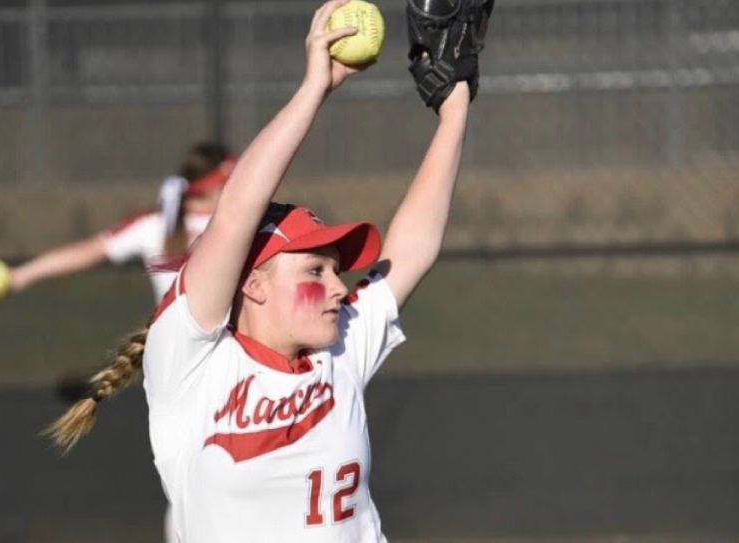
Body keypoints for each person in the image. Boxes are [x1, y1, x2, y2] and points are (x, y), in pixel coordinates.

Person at [46, 0, 491, 541]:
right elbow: (236, 214)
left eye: (334, 270)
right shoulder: (191, 368)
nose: (337, 287)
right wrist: (314, 90)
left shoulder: (336, 349)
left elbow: (413, 248)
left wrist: (456, 105)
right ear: (252, 284)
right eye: (314, 272)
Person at [7, 141, 235, 302]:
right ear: (213, 185)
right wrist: (22, 275)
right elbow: (87, 251)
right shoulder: (154, 225)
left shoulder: (246, 220)